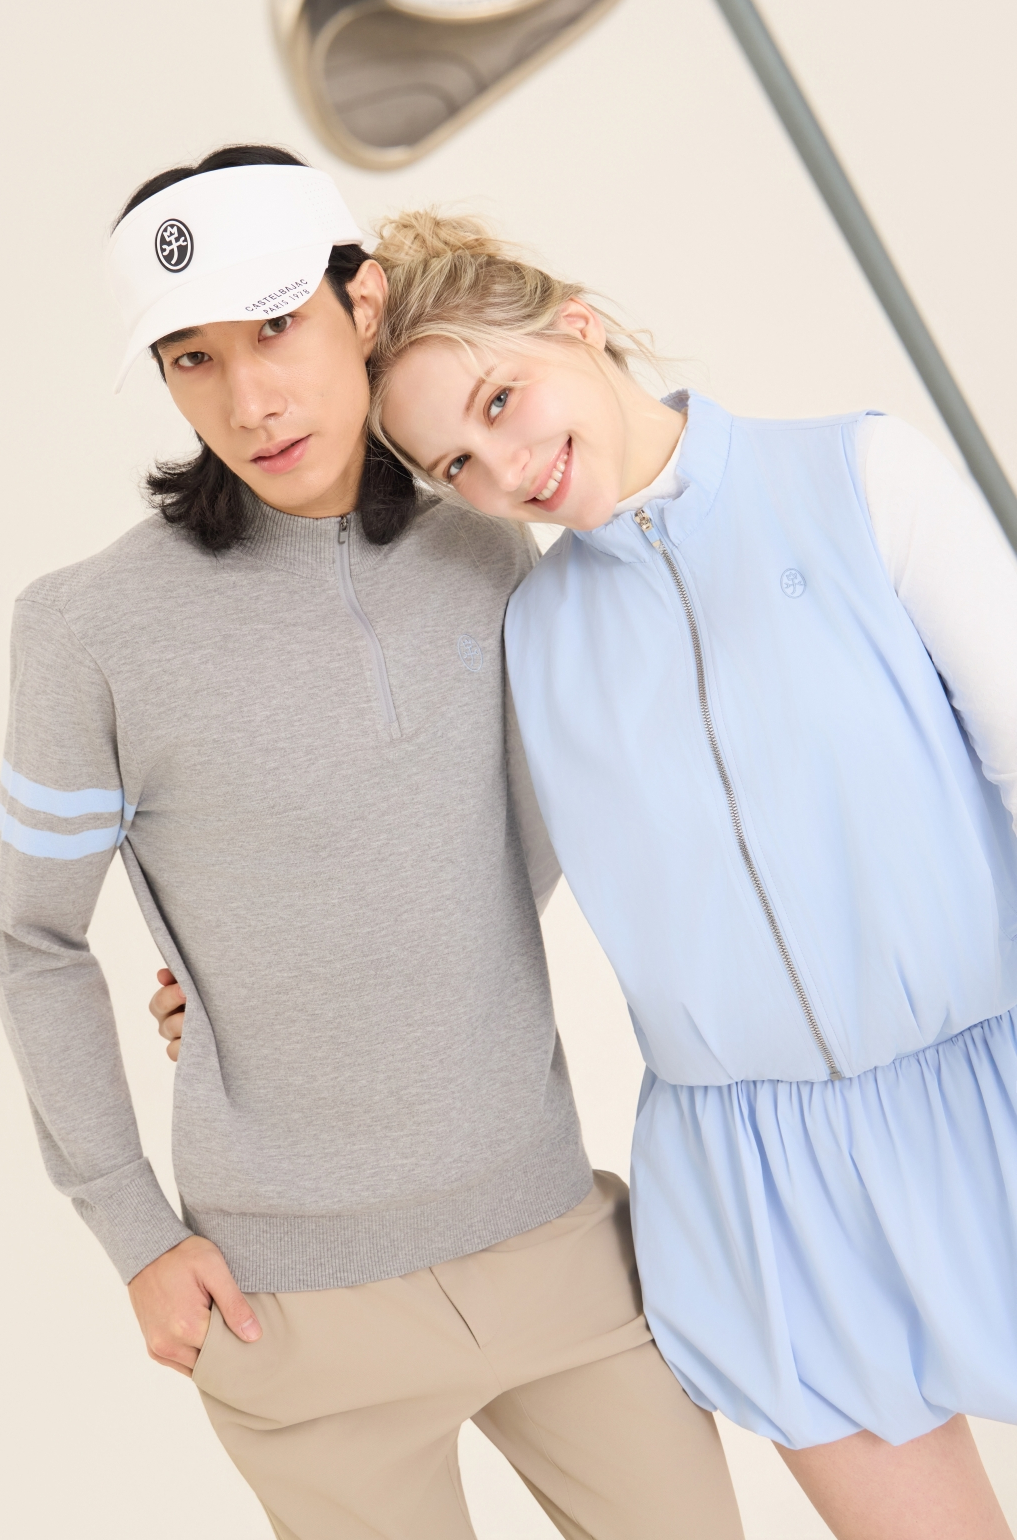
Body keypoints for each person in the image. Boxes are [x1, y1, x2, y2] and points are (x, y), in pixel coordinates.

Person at [0, 146, 743, 1540]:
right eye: (193, 358)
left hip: (555, 1243)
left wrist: (295, 953)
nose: (250, 399)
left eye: (277, 325)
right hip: (295, 1312)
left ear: (363, 300)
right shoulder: (88, 630)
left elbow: (524, 847)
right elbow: (29, 936)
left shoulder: (486, 545)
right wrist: (132, 1229)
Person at [368, 210, 1017, 1540]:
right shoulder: (533, 635)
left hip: (990, 1087)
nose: (505, 467)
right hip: (768, 1192)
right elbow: (463, 896)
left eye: (501, 400)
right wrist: (240, 981)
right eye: (456, 463)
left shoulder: (859, 477)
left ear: (577, 323)